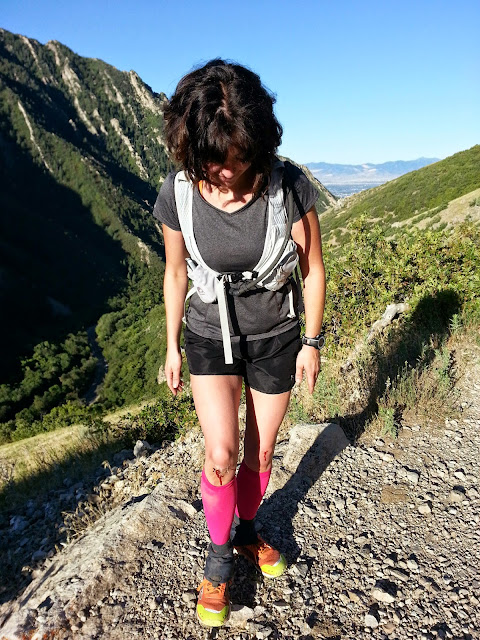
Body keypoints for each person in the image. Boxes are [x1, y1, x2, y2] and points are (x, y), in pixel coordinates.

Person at [153, 59, 326, 628]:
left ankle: (248, 530)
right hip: (209, 333)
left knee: (261, 454)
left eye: (239, 157)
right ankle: (219, 558)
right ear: (191, 147)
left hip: (276, 334)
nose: (226, 172)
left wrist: (312, 341)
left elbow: (313, 269)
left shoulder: (287, 185)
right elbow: (175, 272)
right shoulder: (178, 193)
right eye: (214, 159)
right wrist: (173, 346)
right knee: (221, 455)